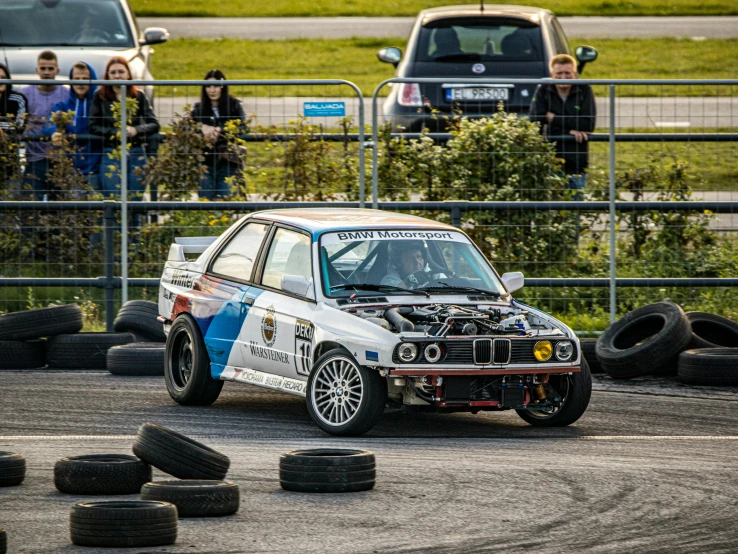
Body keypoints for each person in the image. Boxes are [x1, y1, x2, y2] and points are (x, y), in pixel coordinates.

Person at [90, 56, 159, 198]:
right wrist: (115, 132)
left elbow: (154, 124)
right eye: (113, 72)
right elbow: (93, 125)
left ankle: (136, 221)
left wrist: (136, 130)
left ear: (128, 74)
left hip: (136, 152)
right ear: (107, 76)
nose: (117, 76)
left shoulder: (138, 96)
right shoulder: (100, 96)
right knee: (113, 201)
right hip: (111, 152)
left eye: (121, 72)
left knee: (135, 202)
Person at [528, 54, 596, 195]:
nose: (563, 77)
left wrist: (553, 118)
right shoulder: (543, 90)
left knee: (575, 208)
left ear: (574, 74)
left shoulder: (584, 90)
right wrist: (570, 130)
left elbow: (588, 125)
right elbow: (535, 120)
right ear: (552, 74)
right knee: (552, 208)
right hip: (550, 161)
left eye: (567, 73)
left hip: (577, 162)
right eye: (559, 73)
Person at [44, 62, 102, 194]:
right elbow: (48, 124)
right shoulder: (63, 106)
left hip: (95, 169)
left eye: (85, 79)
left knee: (96, 210)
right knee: (74, 211)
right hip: (72, 171)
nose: (80, 83)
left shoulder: (99, 105)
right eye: (76, 79)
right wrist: (55, 131)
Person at [190, 69, 246, 199]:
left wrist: (220, 131)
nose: (212, 90)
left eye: (215, 86)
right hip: (205, 162)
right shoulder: (198, 109)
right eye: (208, 86)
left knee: (227, 203)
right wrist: (201, 127)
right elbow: (187, 127)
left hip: (228, 162)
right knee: (205, 204)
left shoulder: (234, 105)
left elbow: (242, 127)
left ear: (222, 86)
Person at [20, 50, 68, 199]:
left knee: (59, 209)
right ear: (37, 70)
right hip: (34, 159)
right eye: (43, 68)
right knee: (30, 208)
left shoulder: (66, 93)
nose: (46, 72)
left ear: (57, 70)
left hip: (60, 160)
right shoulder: (25, 93)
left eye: (50, 68)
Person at [0, 62, 28, 189]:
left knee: (11, 200)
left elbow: (20, 126)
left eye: (3, 77)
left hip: (10, 159)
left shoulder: (18, 99)